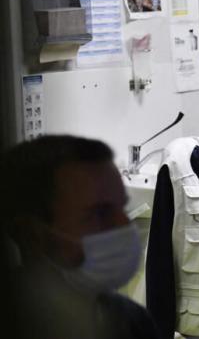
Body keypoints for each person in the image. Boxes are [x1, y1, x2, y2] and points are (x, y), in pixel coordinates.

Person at [0, 135, 159, 339]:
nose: (125, 227)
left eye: (122, 207)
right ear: (31, 235)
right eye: (99, 213)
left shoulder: (134, 323)